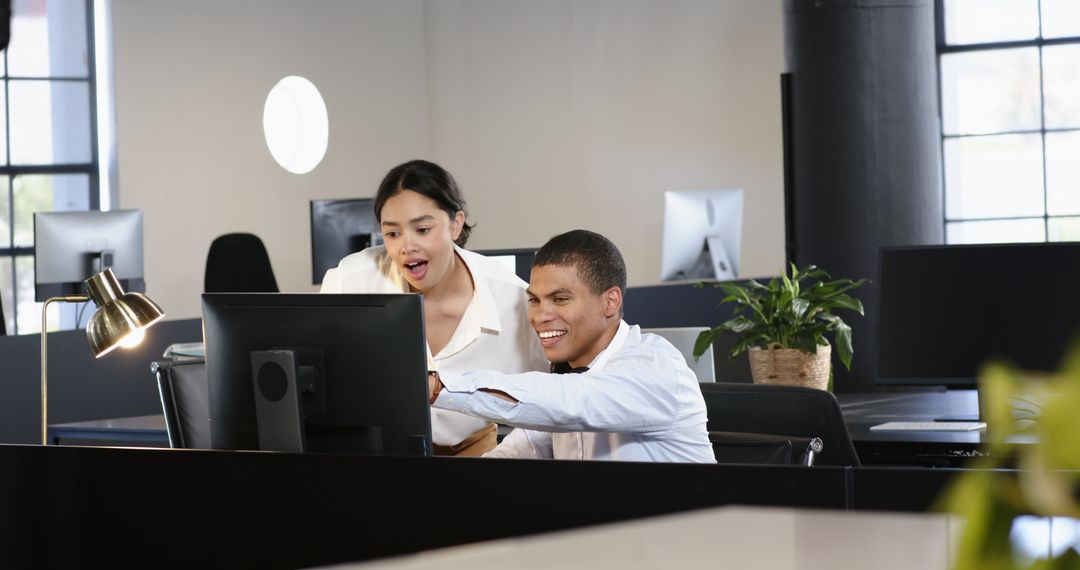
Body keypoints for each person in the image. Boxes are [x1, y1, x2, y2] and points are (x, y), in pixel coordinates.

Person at [320, 159, 546, 456]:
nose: (406, 247)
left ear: (456, 223)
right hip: (378, 453)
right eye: (392, 233)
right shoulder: (349, 282)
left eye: (422, 229)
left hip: (476, 453)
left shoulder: (512, 300)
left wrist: (504, 459)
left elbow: (547, 403)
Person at [428, 229, 715, 463]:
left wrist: (439, 386)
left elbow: (573, 402)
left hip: (680, 532)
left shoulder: (656, 368)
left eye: (560, 299)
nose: (540, 316)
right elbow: (517, 450)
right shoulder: (566, 376)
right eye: (535, 300)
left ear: (610, 302)